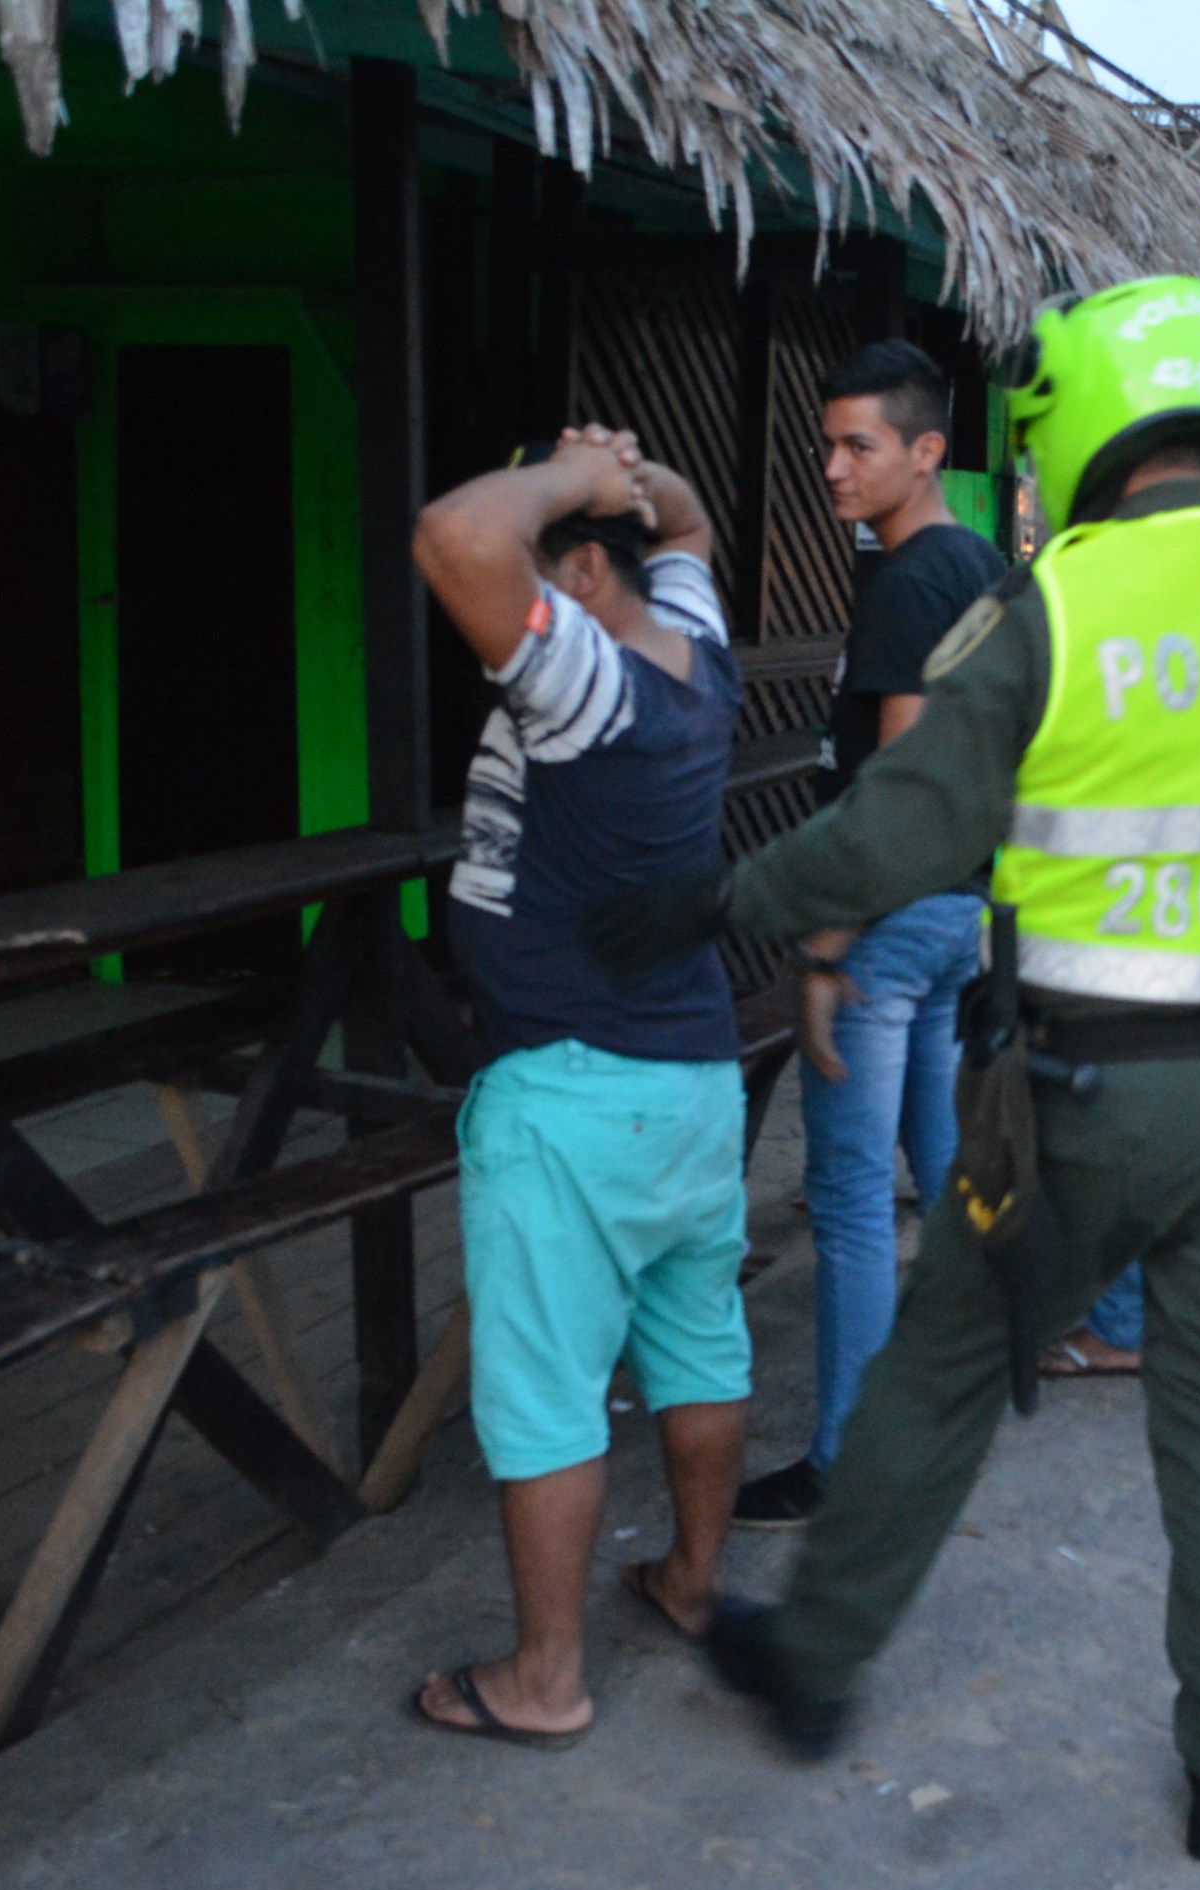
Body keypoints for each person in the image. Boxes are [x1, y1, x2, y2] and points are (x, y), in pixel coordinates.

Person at [592, 276, 1200, 1867]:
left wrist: (718, 906)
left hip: (1091, 1108)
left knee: (941, 1371)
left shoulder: (1066, 603)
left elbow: (898, 827)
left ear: (1081, 422)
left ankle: (814, 1671)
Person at [402, 428, 752, 1744]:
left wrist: (573, 484)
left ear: (589, 574)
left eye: (546, 575)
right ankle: (696, 1582)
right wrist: (632, 472)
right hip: (692, 1083)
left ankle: (545, 1677)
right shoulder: (695, 657)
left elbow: (453, 538)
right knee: (698, 1343)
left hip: (569, 1095)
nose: (511, 619)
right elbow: (699, 534)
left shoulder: (586, 684)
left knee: (547, 1390)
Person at [731, 342, 1005, 1532]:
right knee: (940, 1182)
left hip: (893, 927)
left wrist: (827, 947)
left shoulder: (909, 581)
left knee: (848, 1200)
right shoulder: (982, 566)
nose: (832, 468)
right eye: (828, 443)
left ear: (926, 452)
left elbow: (896, 783)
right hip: (958, 915)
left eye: (860, 447)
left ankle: (852, 1459)